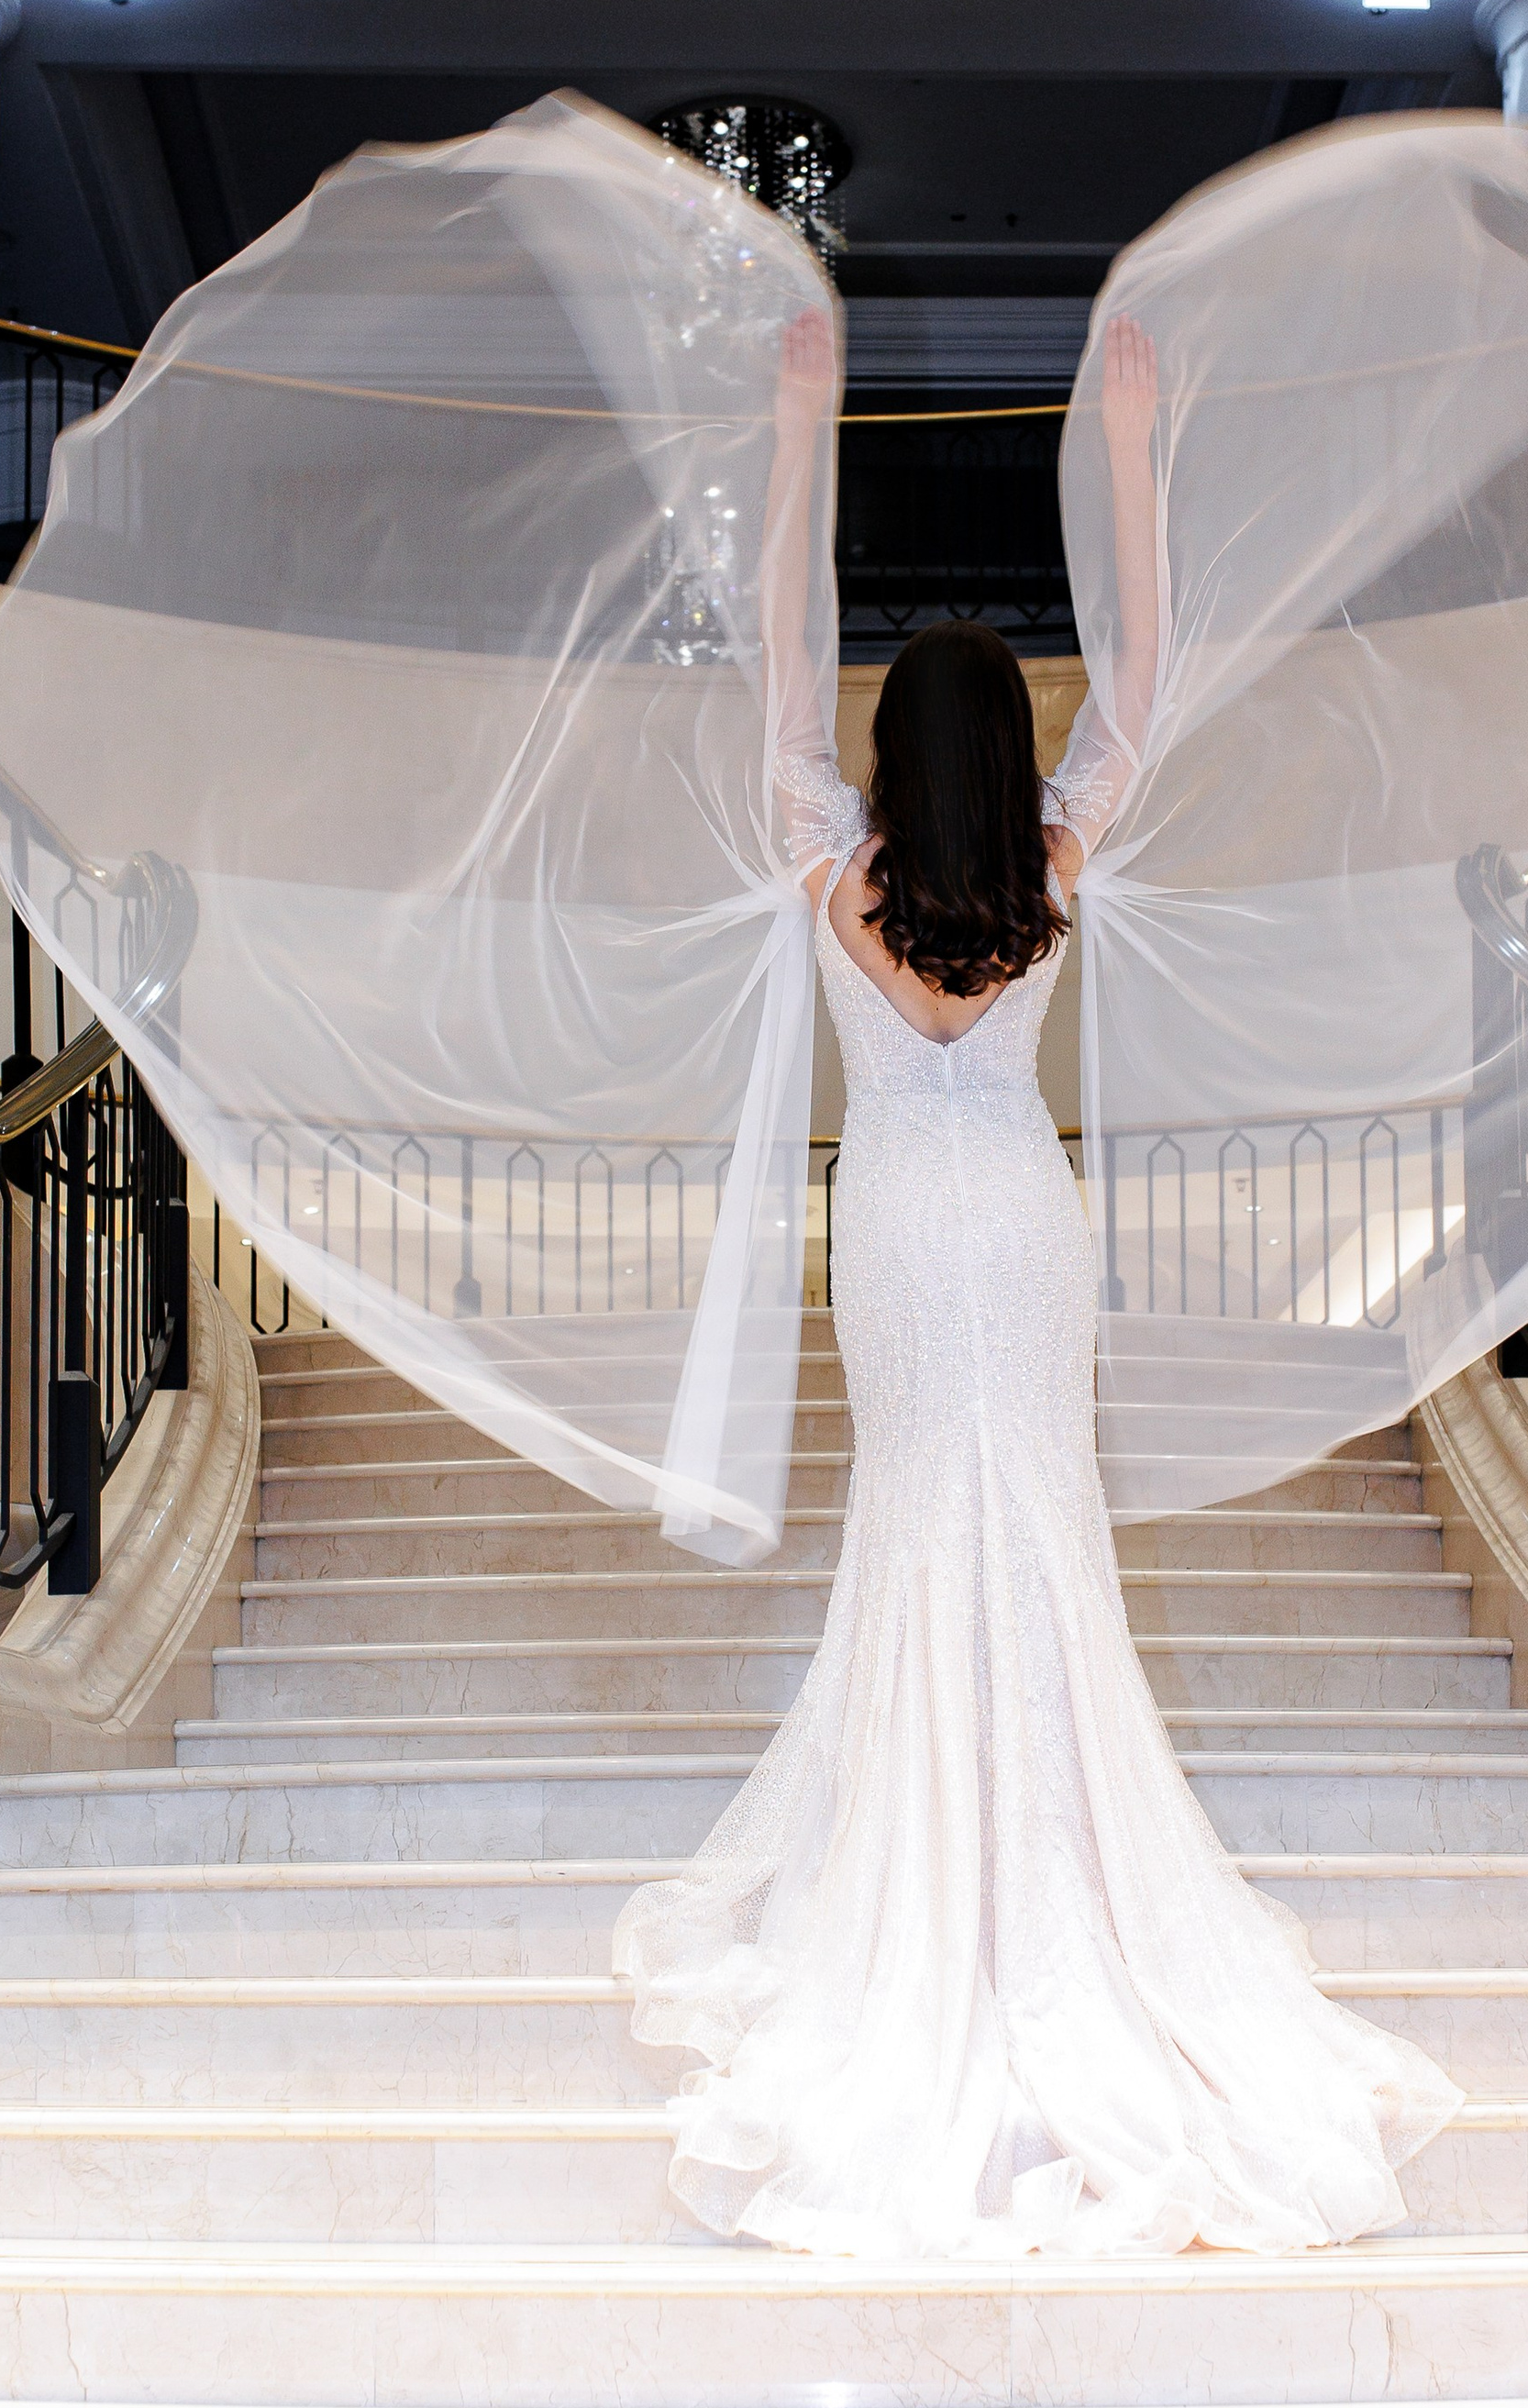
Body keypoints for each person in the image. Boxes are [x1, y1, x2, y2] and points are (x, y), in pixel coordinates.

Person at [613, 304, 1465, 2258]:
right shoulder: (1056, 868)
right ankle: (1063, 1898)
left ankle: (929, 1901)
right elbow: (1146, 678)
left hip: (902, 1227)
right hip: (1018, 1212)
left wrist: (798, 425)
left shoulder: (832, 864)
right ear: (1004, 754)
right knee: (1035, 1529)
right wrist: (1137, 450)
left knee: (922, 1518)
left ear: (891, 752)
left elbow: (767, 668)